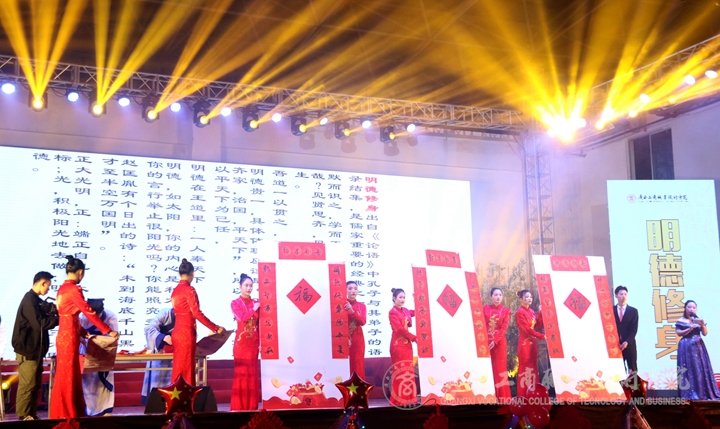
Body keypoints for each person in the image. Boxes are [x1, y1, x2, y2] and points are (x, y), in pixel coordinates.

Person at [49, 256, 119, 419]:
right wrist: (107, 330)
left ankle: (65, 412)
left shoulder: (62, 289)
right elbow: (88, 311)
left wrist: (83, 332)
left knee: (66, 376)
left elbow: (69, 317)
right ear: (80, 272)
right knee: (69, 377)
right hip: (69, 337)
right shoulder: (74, 289)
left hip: (65, 334)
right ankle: (68, 413)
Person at [11, 271, 59, 421]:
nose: (48, 289)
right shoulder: (29, 300)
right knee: (28, 384)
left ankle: (31, 414)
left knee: (35, 384)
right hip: (28, 350)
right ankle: (24, 415)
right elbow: (39, 324)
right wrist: (58, 319)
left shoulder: (36, 300)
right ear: (42, 283)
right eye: (48, 286)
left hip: (35, 350)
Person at [171, 258, 225, 386]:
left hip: (177, 332)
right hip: (186, 333)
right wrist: (215, 328)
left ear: (179, 274)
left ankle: (175, 396)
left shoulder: (175, 291)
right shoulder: (189, 290)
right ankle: (187, 398)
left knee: (178, 368)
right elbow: (197, 313)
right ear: (192, 273)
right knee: (187, 369)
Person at [79, 299, 118, 416]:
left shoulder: (110, 316)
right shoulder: (82, 317)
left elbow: (114, 335)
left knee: (103, 382)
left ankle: (105, 410)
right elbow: (79, 335)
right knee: (88, 383)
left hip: (104, 352)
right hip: (87, 352)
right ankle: (91, 410)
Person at [676, 300, 720, 400]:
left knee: (699, 369)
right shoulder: (681, 320)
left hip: (698, 346)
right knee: (687, 369)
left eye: (694, 307)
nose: (691, 309)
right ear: (685, 308)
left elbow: (705, 333)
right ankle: (688, 394)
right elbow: (679, 333)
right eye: (689, 307)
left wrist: (703, 325)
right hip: (685, 346)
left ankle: (702, 393)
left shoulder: (698, 319)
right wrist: (690, 328)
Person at [230, 273, 260, 410]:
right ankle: (239, 407)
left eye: (251, 286)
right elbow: (242, 318)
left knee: (252, 374)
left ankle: (252, 407)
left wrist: (261, 343)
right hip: (241, 344)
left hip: (253, 343)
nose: (249, 288)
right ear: (240, 286)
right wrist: (254, 310)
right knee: (241, 375)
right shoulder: (235, 303)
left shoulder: (256, 302)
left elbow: (260, 324)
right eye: (246, 285)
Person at [388, 288, 416, 406]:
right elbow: (399, 329)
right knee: (400, 372)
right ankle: (399, 400)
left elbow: (419, 312)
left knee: (408, 371)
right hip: (398, 345)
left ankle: (409, 399)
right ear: (394, 298)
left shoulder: (405, 311)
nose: (402, 300)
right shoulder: (392, 312)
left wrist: (417, 299)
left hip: (407, 345)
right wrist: (414, 337)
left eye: (404, 297)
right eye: (400, 297)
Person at [141, 308, 175, 404]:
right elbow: (150, 328)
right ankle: (156, 403)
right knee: (157, 378)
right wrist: (163, 337)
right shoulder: (165, 313)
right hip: (160, 349)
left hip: (175, 352)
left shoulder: (187, 316)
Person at [483, 287, 511, 402]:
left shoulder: (506, 311)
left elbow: (504, 328)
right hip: (485, 343)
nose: (498, 297)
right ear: (491, 296)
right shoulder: (485, 309)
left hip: (499, 344)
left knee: (499, 369)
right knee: (487, 369)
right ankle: (488, 396)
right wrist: (484, 340)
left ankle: (502, 398)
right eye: (495, 295)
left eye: (500, 295)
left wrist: (495, 341)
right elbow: (481, 325)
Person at [515, 289, 544, 397]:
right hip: (525, 344)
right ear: (521, 299)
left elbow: (538, 326)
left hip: (533, 343)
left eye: (530, 297)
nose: (529, 299)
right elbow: (527, 329)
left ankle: (533, 394)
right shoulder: (519, 313)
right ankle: (524, 395)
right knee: (525, 368)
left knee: (533, 367)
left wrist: (540, 312)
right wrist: (541, 336)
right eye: (526, 297)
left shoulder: (531, 311)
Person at [613, 286, 638, 375]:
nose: (623, 296)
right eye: (621, 294)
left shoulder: (633, 311)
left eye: (625, 294)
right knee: (618, 369)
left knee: (632, 368)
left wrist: (627, 341)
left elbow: (634, 329)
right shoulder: (611, 311)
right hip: (615, 345)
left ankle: (633, 384)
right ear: (616, 295)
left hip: (629, 344)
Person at [345, 281, 367, 379]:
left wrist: (352, 311)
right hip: (344, 339)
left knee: (358, 364)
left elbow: (363, 322)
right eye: (350, 288)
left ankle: (358, 388)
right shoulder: (341, 305)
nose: (353, 291)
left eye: (355, 288)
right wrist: (345, 338)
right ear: (345, 290)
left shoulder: (361, 306)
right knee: (346, 364)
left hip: (358, 339)